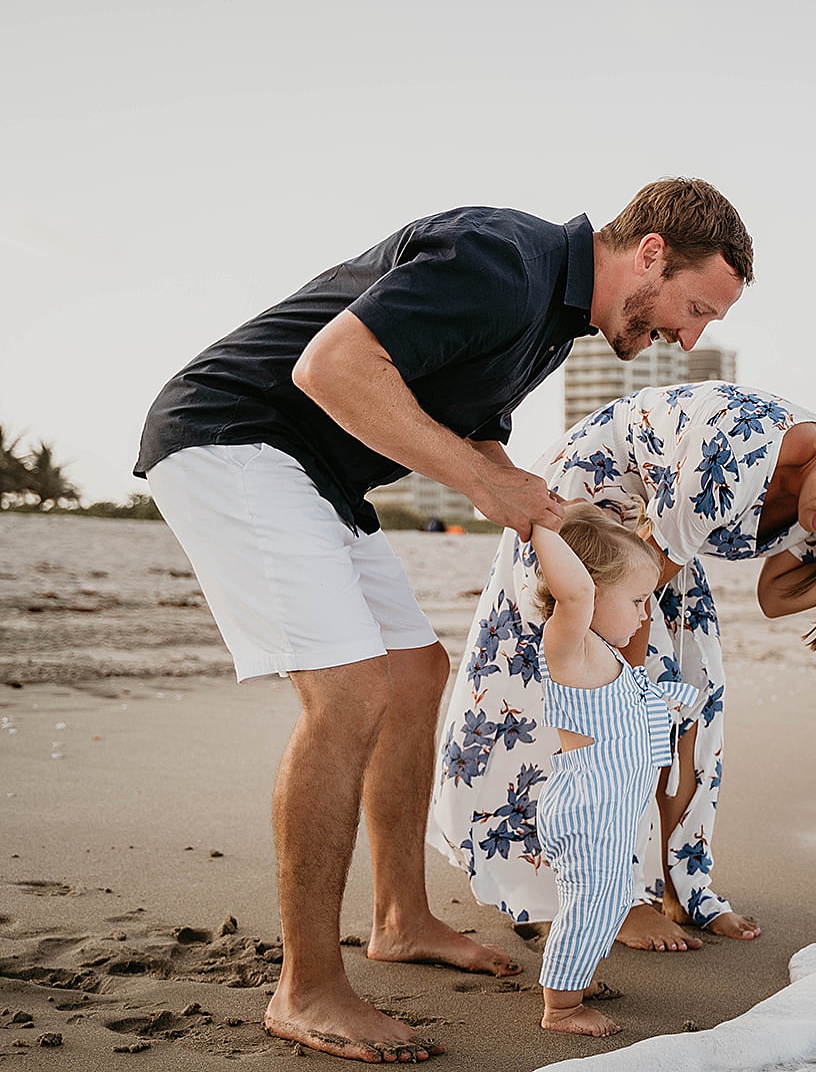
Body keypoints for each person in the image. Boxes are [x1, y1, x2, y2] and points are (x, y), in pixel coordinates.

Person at [133, 178, 754, 1063]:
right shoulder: (505, 260)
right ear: (650, 251)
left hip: (320, 474)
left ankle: (400, 919)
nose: (687, 338)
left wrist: (551, 514)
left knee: (417, 672)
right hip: (235, 436)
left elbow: (470, 432)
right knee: (348, 692)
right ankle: (305, 987)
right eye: (693, 309)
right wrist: (482, 485)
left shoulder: (552, 318)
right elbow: (331, 368)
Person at [431, 382, 816, 954]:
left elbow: (776, 595)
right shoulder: (738, 453)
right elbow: (635, 589)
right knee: (610, 710)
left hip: (664, 542)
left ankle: (680, 886)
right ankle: (613, 894)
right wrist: (617, 698)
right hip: (592, 504)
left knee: (693, 706)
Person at [526, 502, 700, 1036]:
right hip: (589, 809)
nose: (647, 614)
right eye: (639, 600)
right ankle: (562, 1007)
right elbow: (574, 591)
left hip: (609, 811)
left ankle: (573, 975)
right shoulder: (571, 645)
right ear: (589, 592)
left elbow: (631, 703)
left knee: (605, 897)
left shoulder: (608, 656)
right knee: (593, 902)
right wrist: (541, 522)